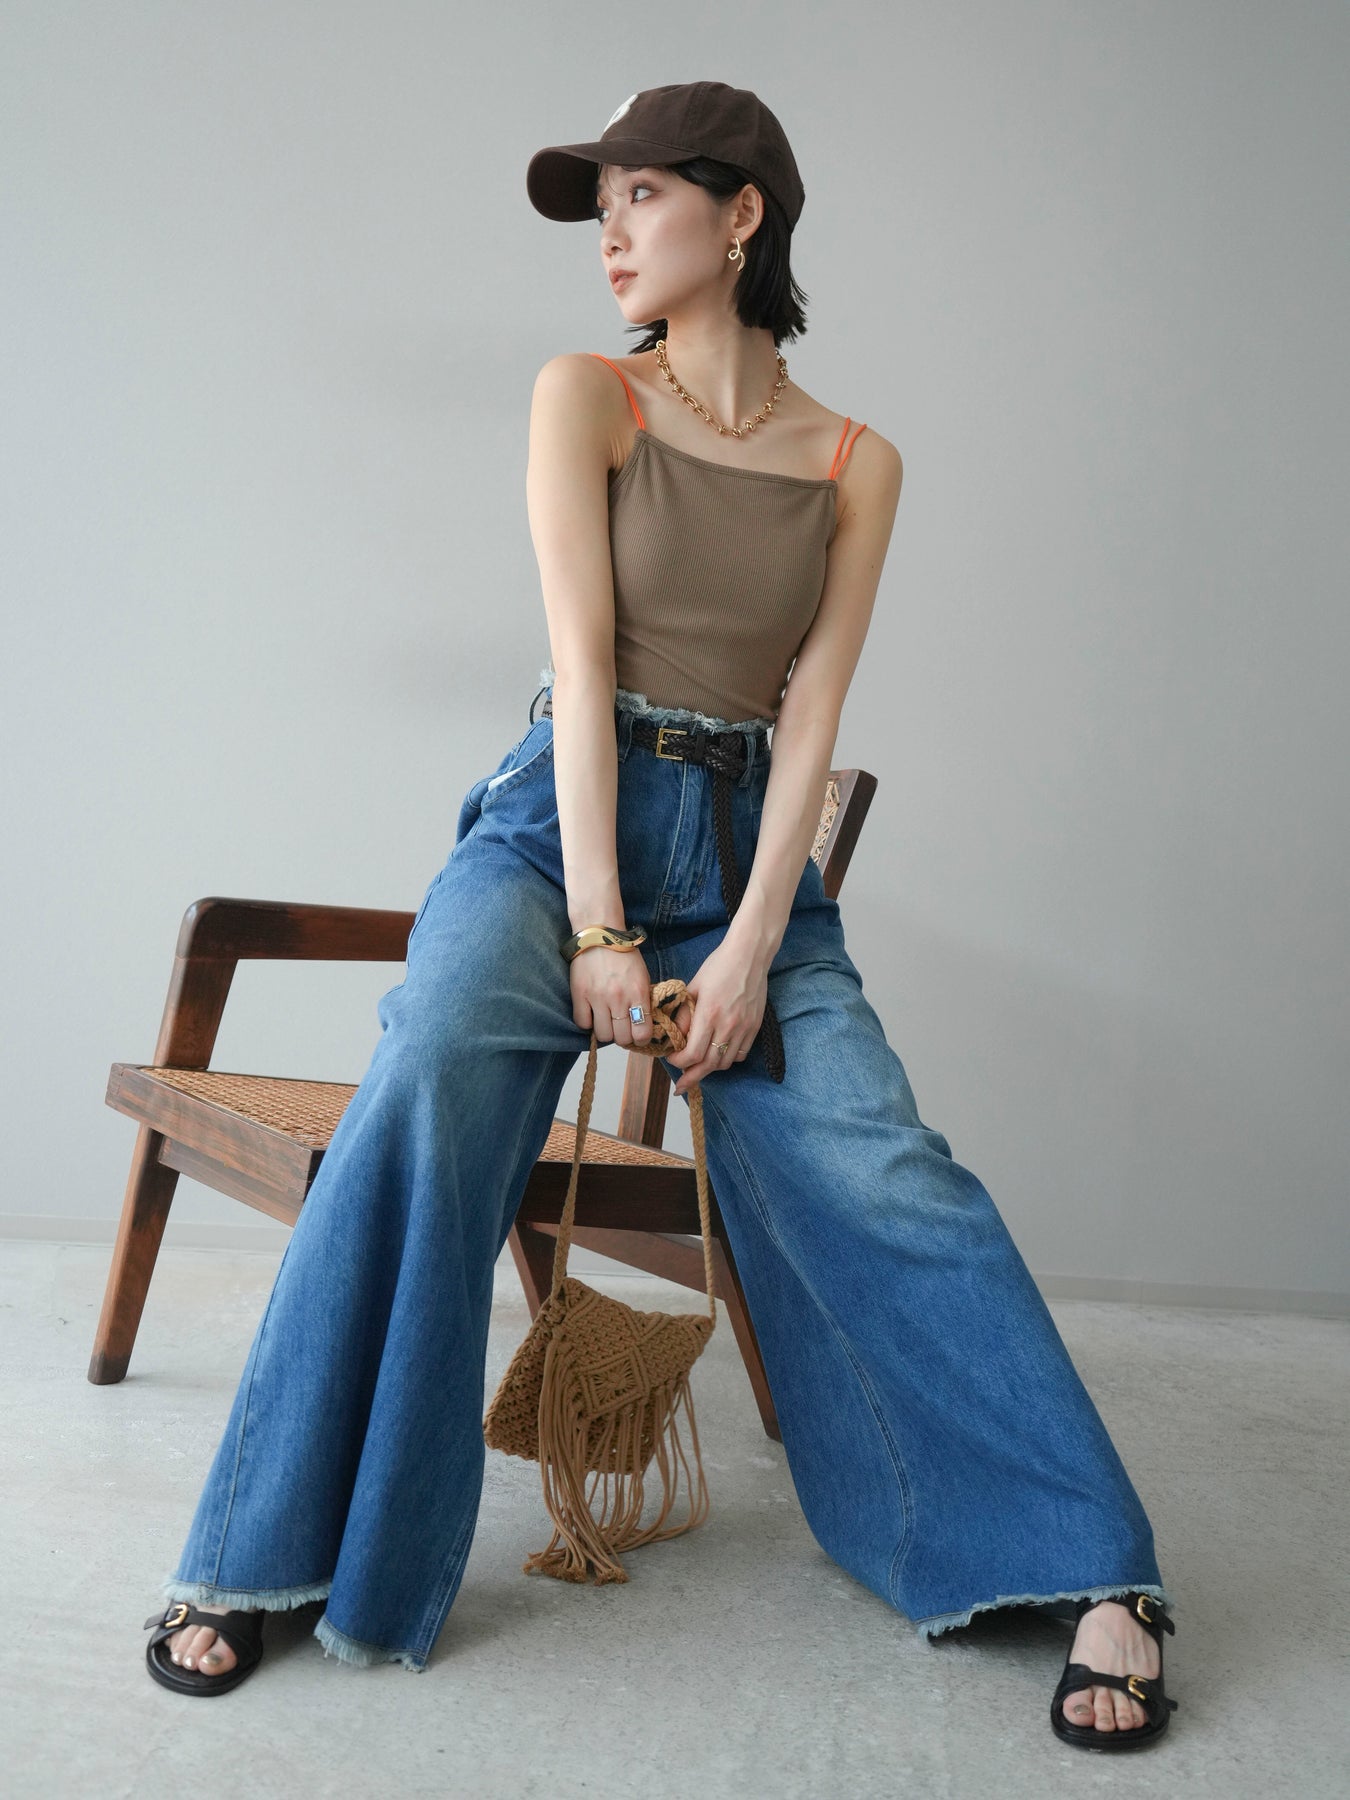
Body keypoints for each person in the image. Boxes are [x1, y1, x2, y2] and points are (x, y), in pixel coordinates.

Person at [140, 81, 1179, 1750]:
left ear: (740, 212)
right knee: (426, 1077)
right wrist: (601, 930)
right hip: (555, 837)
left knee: (883, 1163)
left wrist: (753, 947)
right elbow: (578, 660)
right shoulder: (587, 395)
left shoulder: (854, 461)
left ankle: (1089, 1569)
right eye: (601, 205)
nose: (611, 235)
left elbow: (813, 719)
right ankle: (256, 1557)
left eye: (638, 195)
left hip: (747, 851)